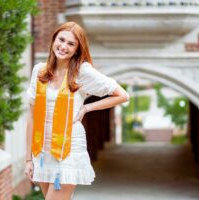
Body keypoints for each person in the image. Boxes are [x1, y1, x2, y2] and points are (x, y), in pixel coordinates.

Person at [24, 21, 129, 200]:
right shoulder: (39, 71)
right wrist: (28, 159)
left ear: (77, 49)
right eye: (61, 40)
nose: (63, 46)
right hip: (42, 150)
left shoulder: (82, 72)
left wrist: (87, 107)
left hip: (69, 147)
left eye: (71, 44)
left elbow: (122, 95)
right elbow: (32, 118)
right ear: (53, 40)